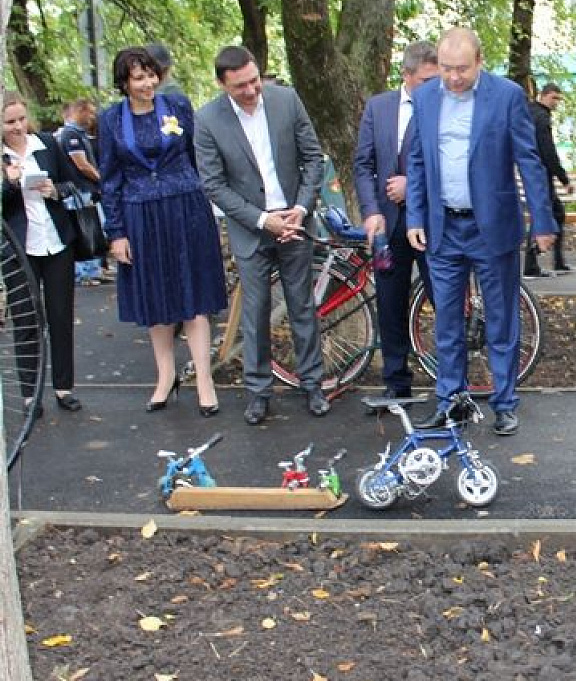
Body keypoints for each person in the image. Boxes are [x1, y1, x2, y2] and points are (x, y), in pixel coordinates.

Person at [404, 26, 558, 436]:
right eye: (447, 69)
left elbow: (529, 161)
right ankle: (450, 401)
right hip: (442, 228)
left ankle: (505, 403)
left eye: (462, 69)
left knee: (501, 319)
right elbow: (417, 162)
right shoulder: (424, 98)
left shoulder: (506, 96)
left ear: (480, 62)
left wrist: (542, 221)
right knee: (447, 322)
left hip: (492, 227)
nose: (454, 78)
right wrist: (415, 217)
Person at [193, 45, 329, 425]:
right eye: (241, 87)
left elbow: (313, 158)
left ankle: (313, 385)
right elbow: (214, 186)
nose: (252, 91)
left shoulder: (286, 100)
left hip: (295, 221)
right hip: (252, 229)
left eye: (255, 81)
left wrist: (299, 210)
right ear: (223, 84)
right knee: (254, 313)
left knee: (301, 306)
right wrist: (262, 220)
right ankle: (258, 392)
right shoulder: (207, 120)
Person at [99, 46, 228, 417]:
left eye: (151, 75)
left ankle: (204, 379)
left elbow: (195, 155)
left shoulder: (178, 106)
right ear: (124, 83)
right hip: (140, 215)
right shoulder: (111, 120)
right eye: (139, 78)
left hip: (185, 208)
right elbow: (109, 180)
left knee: (194, 296)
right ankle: (165, 376)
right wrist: (116, 232)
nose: (149, 83)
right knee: (156, 300)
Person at [354, 40, 438, 409]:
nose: (434, 87)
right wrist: (371, 210)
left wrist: (413, 187)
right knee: (390, 302)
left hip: (432, 224)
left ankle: (453, 380)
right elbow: (363, 164)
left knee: (444, 300)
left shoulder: (443, 106)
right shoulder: (379, 107)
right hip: (387, 226)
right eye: (426, 80)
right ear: (406, 75)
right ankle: (396, 382)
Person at [1, 91, 83, 415]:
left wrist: (54, 190)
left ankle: (64, 388)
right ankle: (29, 394)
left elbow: (73, 184)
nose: (19, 127)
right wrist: (9, 183)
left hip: (56, 241)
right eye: (10, 122)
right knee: (26, 320)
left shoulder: (47, 144)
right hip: (19, 249)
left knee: (60, 316)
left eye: (22, 119)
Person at [523, 82, 574, 278]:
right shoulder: (541, 117)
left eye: (558, 100)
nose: (556, 103)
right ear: (543, 96)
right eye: (554, 98)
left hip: (535, 172)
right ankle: (534, 264)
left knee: (551, 214)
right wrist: (564, 178)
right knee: (549, 214)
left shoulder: (529, 112)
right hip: (541, 173)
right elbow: (547, 150)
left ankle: (552, 262)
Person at [56, 99, 106, 286]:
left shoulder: (79, 134)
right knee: (86, 228)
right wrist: (101, 179)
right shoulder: (71, 135)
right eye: (89, 113)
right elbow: (81, 164)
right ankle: (85, 273)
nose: (92, 117)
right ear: (80, 111)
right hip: (79, 189)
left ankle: (93, 269)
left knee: (93, 228)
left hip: (85, 189)